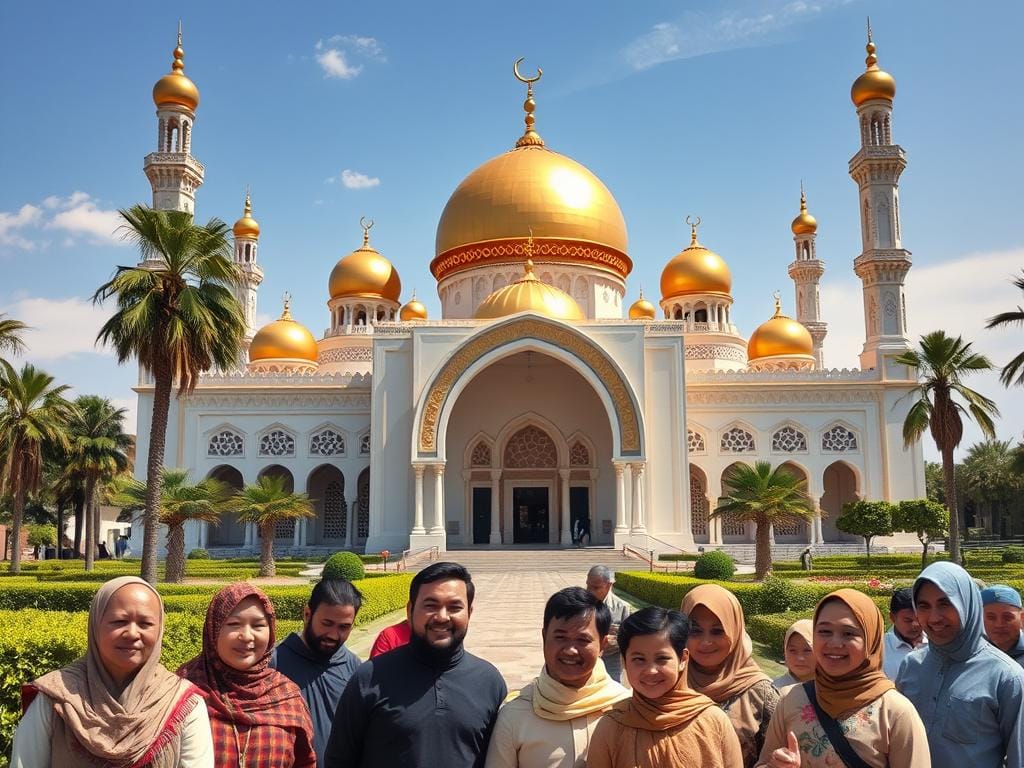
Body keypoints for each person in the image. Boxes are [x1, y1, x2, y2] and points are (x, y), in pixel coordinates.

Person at [12, 575, 213, 768]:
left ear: (159, 630)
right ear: (95, 625)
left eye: (145, 624)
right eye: (119, 621)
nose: (133, 633)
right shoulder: (56, 697)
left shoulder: (180, 701)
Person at [325, 561, 507, 767]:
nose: (442, 617)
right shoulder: (369, 678)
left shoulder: (489, 682)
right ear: (410, 610)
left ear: (470, 613)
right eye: (430, 605)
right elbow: (339, 760)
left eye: (455, 607)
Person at [757, 589, 930, 768]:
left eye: (849, 633)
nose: (834, 643)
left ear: (870, 640)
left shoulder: (894, 712)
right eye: (824, 631)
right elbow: (763, 764)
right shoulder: (790, 699)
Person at [896, 561, 1024, 768]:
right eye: (924, 606)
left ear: (967, 604)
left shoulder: (1006, 676)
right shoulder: (911, 665)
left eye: (945, 604)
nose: (934, 618)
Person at [485, 587, 628, 768]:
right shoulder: (515, 714)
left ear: (602, 645)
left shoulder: (625, 708)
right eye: (560, 637)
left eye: (583, 640)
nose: (570, 650)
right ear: (544, 637)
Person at [178, 583, 316, 768]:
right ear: (214, 628)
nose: (247, 636)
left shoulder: (286, 696)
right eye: (234, 624)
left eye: (258, 625)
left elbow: (305, 762)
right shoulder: (183, 690)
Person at [587, 607, 743, 768]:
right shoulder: (611, 727)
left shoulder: (713, 720)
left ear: (683, 659)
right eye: (639, 659)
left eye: (662, 658)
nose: (650, 670)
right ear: (625, 662)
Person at [681, 584, 778, 768]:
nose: (706, 641)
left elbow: (774, 759)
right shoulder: (671, 683)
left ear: (735, 630)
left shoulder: (761, 693)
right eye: (695, 630)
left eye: (717, 631)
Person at [273, 578, 363, 765]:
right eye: (327, 623)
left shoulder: (354, 666)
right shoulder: (275, 662)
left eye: (344, 627)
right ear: (307, 614)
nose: (333, 635)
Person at [585, 565, 632, 683]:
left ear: (609, 585)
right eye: (588, 586)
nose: (590, 591)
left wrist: (615, 641)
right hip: (585, 661)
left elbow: (630, 640)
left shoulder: (622, 608)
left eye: (596, 588)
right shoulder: (580, 605)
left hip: (611, 664)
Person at [882, 587, 927, 679]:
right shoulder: (880, 648)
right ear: (892, 617)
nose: (916, 624)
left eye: (919, 618)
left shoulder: (937, 643)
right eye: (908, 620)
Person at [981, 583, 1024, 664]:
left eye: (1007, 617)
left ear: (1022, 618)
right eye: (991, 617)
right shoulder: (969, 652)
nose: (999, 624)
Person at [770, 619, 814, 690]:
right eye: (792, 650)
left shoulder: (832, 693)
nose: (800, 658)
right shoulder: (773, 690)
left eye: (807, 650)